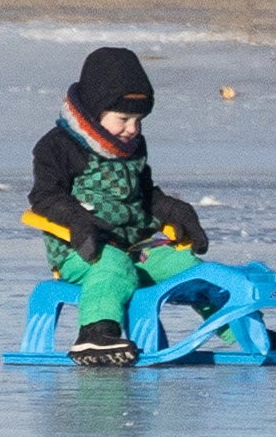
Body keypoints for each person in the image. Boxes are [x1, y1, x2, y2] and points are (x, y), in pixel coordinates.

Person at [26, 44, 209, 365]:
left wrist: (172, 210)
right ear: (94, 112)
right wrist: (77, 221)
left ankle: (241, 328)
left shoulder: (132, 145)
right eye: (123, 118)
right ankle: (95, 334)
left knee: (185, 266)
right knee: (113, 267)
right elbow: (45, 199)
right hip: (80, 249)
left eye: (139, 120)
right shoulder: (57, 147)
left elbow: (143, 193)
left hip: (136, 243)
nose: (132, 129)